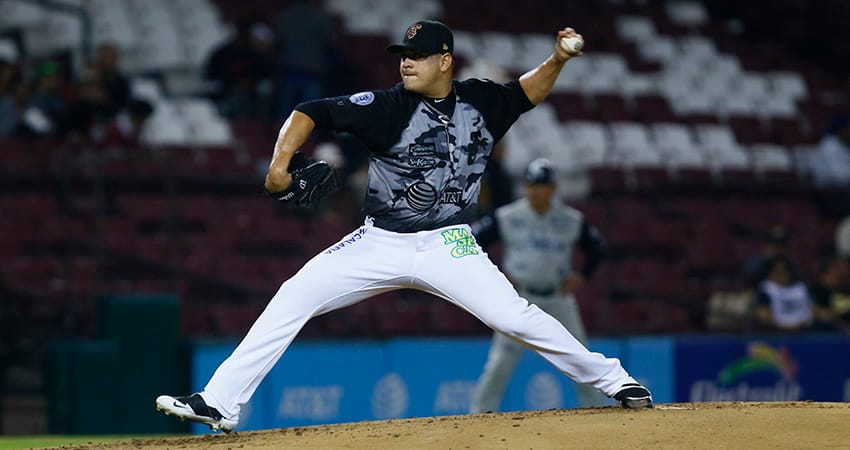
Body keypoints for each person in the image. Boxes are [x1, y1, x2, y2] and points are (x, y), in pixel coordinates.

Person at [156, 20, 652, 432]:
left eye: (417, 54)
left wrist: (559, 59)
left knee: (517, 319)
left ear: (445, 61)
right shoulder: (388, 107)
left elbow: (528, 92)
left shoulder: (482, 101)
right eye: (402, 54)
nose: (406, 62)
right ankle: (219, 403)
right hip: (379, 241)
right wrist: (278, 163)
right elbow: (308, 112)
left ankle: (615, 380)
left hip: (450, 243)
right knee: (294, 293)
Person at [469, 158, 609, 413]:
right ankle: (479, 415)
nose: (536, 190)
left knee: (581, 358)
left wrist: (584, 275)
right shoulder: (509, 216)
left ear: (553, 189)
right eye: (531, 185)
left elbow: (598, 247)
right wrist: (493, 275)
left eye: (542, 185)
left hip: (558, 298)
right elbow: (472, 240)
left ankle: (595, 410)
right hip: (521, 298)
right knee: (499, 363)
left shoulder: (570, 219)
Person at [754, 255, 813, 332]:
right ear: (770, 273)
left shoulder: (800, 288)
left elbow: (813, 311)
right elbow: (763, 315)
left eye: (784, 271)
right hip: (776, 333)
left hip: (804, 332)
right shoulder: (767, 288)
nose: (781, 275)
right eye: (777, 272)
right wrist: (787, 327)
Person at [810, 251, 850, 333]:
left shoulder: (845, 290)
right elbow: (818, 313)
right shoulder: (816, 292)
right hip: (827, 335)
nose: (842, 273)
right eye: (836, 269)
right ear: (825, 273)